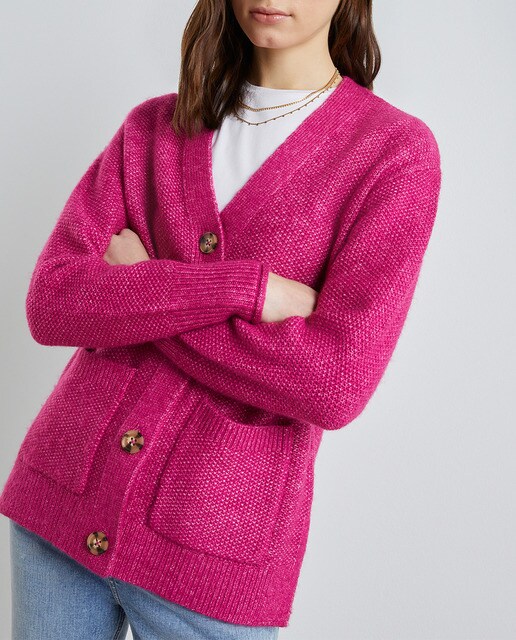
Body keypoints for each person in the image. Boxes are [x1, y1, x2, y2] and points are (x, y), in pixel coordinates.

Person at [1, 0, 442, 638]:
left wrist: (142, 287)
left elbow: (332, 384)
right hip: (57, 513)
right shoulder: (154, 127)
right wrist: (247, 290)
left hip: (212, 548)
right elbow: (53, 302)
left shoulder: (392, 154)